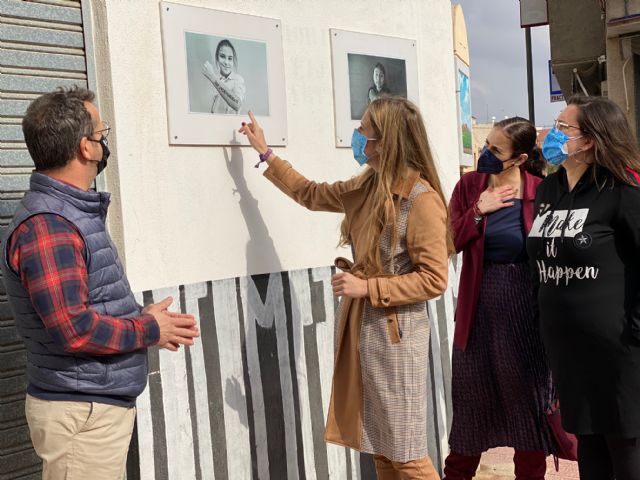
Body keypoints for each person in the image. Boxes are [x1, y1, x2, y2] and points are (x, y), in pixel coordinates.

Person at [240, 97, 450, 479]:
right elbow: (311, 193)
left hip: (397, 335)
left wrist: (367, 287)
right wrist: (266, 154)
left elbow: (434, 279)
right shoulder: (369, 184)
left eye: (364, 129)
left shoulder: (421, 200)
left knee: (405, 452)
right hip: (366, 329)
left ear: (385, 141)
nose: (357, 135)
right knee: (381, 450)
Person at [0, 87, 200, 480]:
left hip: (89, 407)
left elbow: (82, 308)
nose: (105, 141)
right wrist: (148, 328)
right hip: (81, 415)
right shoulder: (50, 226)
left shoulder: (71, 212)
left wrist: (139, 321)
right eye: (100, 133)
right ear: (85, 148)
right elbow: (73, 329)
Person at [528, 95, 640, 480]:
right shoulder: (548, 191)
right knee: (588, 448)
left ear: (590, 140)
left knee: (626, 450)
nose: (552, 134)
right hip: (568, 349)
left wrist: (636, 328)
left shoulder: (622, 189)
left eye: (563, 128)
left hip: (619, 348)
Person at [444, 117, 553, 480]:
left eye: (495, 149)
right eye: (486, 145)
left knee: (529, 412)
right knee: (471, 408)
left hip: (527, 315)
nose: (485, 153)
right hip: (478, 313)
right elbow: (448, 242)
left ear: (519, 159)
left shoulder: (543, 191)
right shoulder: (469, 186)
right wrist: (478, 210)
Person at [202, 39, 246, 114]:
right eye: (222, 56)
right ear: (217, 58)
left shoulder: (238, 80)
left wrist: (212, 77)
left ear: (233, 61)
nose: (226, 62)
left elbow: (237, 104)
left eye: (230, 58)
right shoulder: (215, 79)